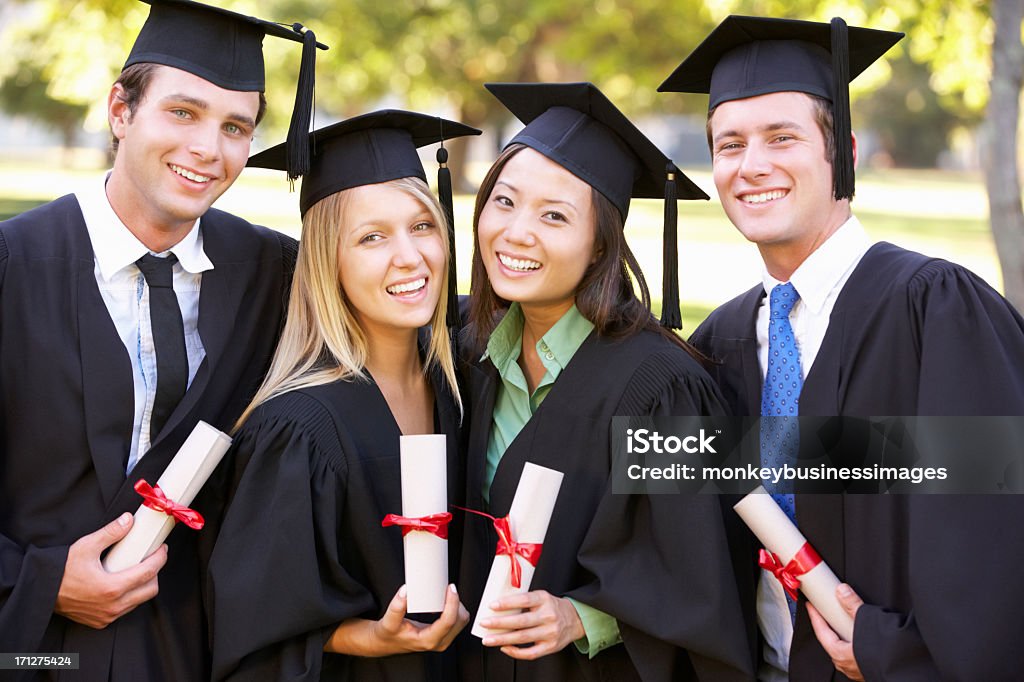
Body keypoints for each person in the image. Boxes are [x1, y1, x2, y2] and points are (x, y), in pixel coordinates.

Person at [660, 15, 1024, 681]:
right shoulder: (721, 342)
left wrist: (895, 652)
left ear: (843, 150)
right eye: (729, 144)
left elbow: (995, 530)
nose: (752, 165)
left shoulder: (936, 310)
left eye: (782, 137)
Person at [0, 1, 324, 679]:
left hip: (195, 651)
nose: (209, 149)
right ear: (120, 111)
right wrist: (41, 580)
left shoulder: (275, 276)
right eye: (183, 112)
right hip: (29, 647)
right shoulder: (12, 267)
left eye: (236, 126)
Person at [458, 82, 754, 682]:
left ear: (600, 245)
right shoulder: (470, 351)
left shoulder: (661, 391)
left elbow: (702, 574)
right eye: (504, 201)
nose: (516, 232)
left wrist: (581, 617)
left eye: (555, 216)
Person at [204, 110, 480, 681]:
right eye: (371, 237)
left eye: (422, 226)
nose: (409, 256)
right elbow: (250, 635)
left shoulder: (459, 390)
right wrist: (374, 639)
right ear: (329, 262)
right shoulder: (297, 430)